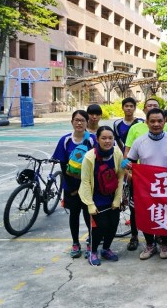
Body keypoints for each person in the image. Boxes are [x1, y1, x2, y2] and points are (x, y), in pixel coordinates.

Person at [126, 108, 167, 260]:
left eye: (160, 121)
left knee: (165, 214)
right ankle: (150, 244)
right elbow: (129, 162)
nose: (156, 124)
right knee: (147, 214)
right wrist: (128, 171)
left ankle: (165, 244)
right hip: (145, 187)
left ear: (165, 122)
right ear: (146, 122)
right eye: (152, 121)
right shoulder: (139, 141)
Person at [52, 110, 96, 259]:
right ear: (72, 122)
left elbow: (97, 164)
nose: (79, 123)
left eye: (82, 120)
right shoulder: (65, 140)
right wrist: (72, 188)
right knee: (74, 215)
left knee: (89, 214)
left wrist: (85, 187)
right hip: (70, 187)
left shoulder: (92, 140)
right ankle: (76, 243)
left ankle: (91, 241)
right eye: (76, 120)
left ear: (87, 123)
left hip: (88, 186)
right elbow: (63, 166)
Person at [79, 126, 125, 266]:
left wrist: (118, 199)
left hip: (111, 196)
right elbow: (85, 181)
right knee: (99, 227)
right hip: (95, 197)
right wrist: (90, 204)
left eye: (110, 138)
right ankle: (92, 252)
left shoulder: (117, 152)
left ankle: (106, 249)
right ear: (97, 139)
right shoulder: (89, 157)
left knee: (113, 225)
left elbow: (120, 176)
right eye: (103, 138)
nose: (107, 141)